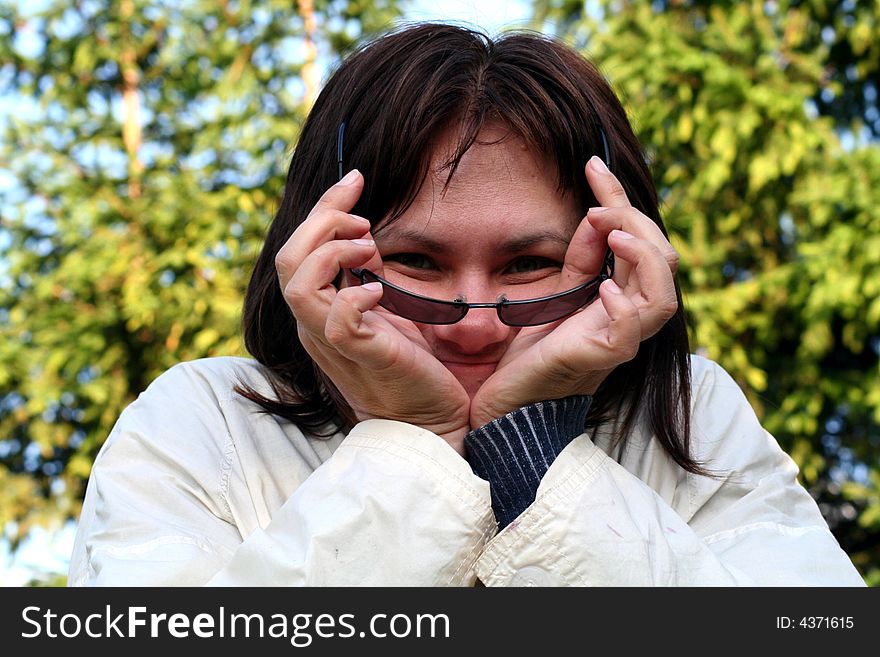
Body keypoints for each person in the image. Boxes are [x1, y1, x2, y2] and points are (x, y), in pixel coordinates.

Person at [68, 23, 864, 586]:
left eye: (528, 263)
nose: (477, 317)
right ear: (322, 249)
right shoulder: (200, 426)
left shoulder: (687, 416)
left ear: (619, 255)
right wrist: (413, 447)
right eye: (416, 259)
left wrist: (535, 448)